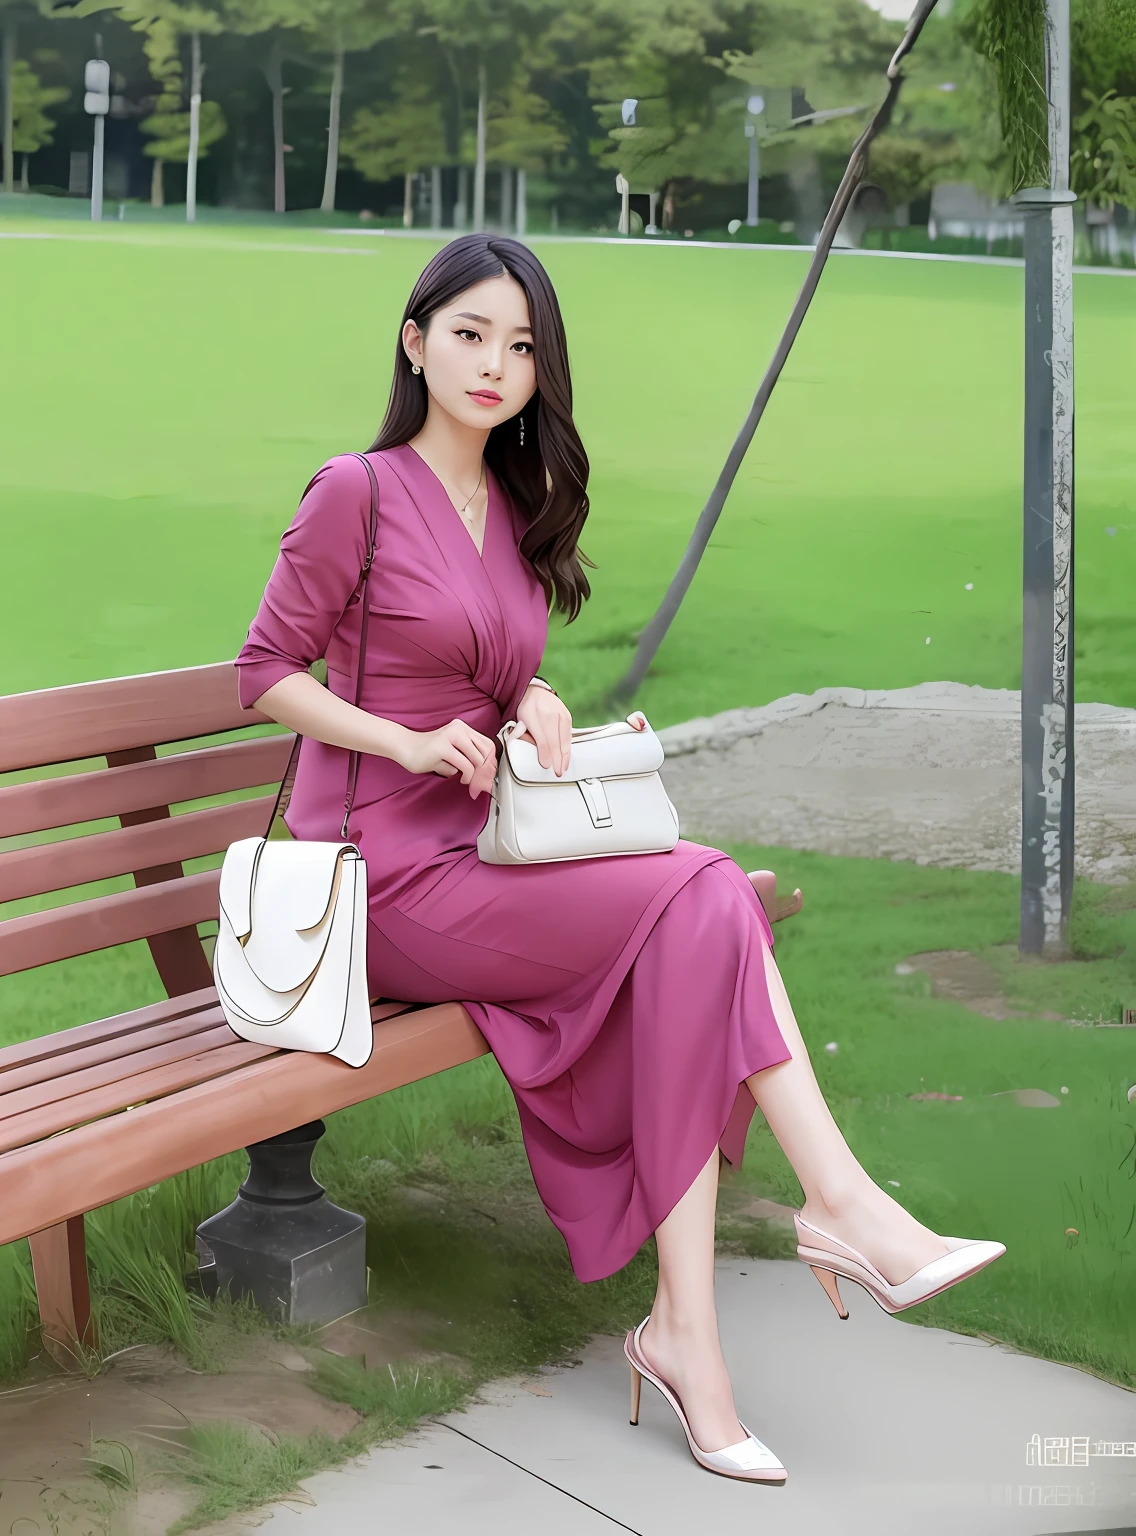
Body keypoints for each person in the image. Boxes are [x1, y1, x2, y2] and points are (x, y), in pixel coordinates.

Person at [234, 233, 1005, 1484]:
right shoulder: (355, 489)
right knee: (701, 894)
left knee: (698, 917)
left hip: (482, 850)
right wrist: (408, 739)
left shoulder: (512, 503)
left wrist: (528, 691)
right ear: (414, 339)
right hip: (382, 872)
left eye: (522, 344)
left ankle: (689, 1333)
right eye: (471, 334)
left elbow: (475, 649)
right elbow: (261, 672)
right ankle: (842, 1211)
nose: (495, 365)